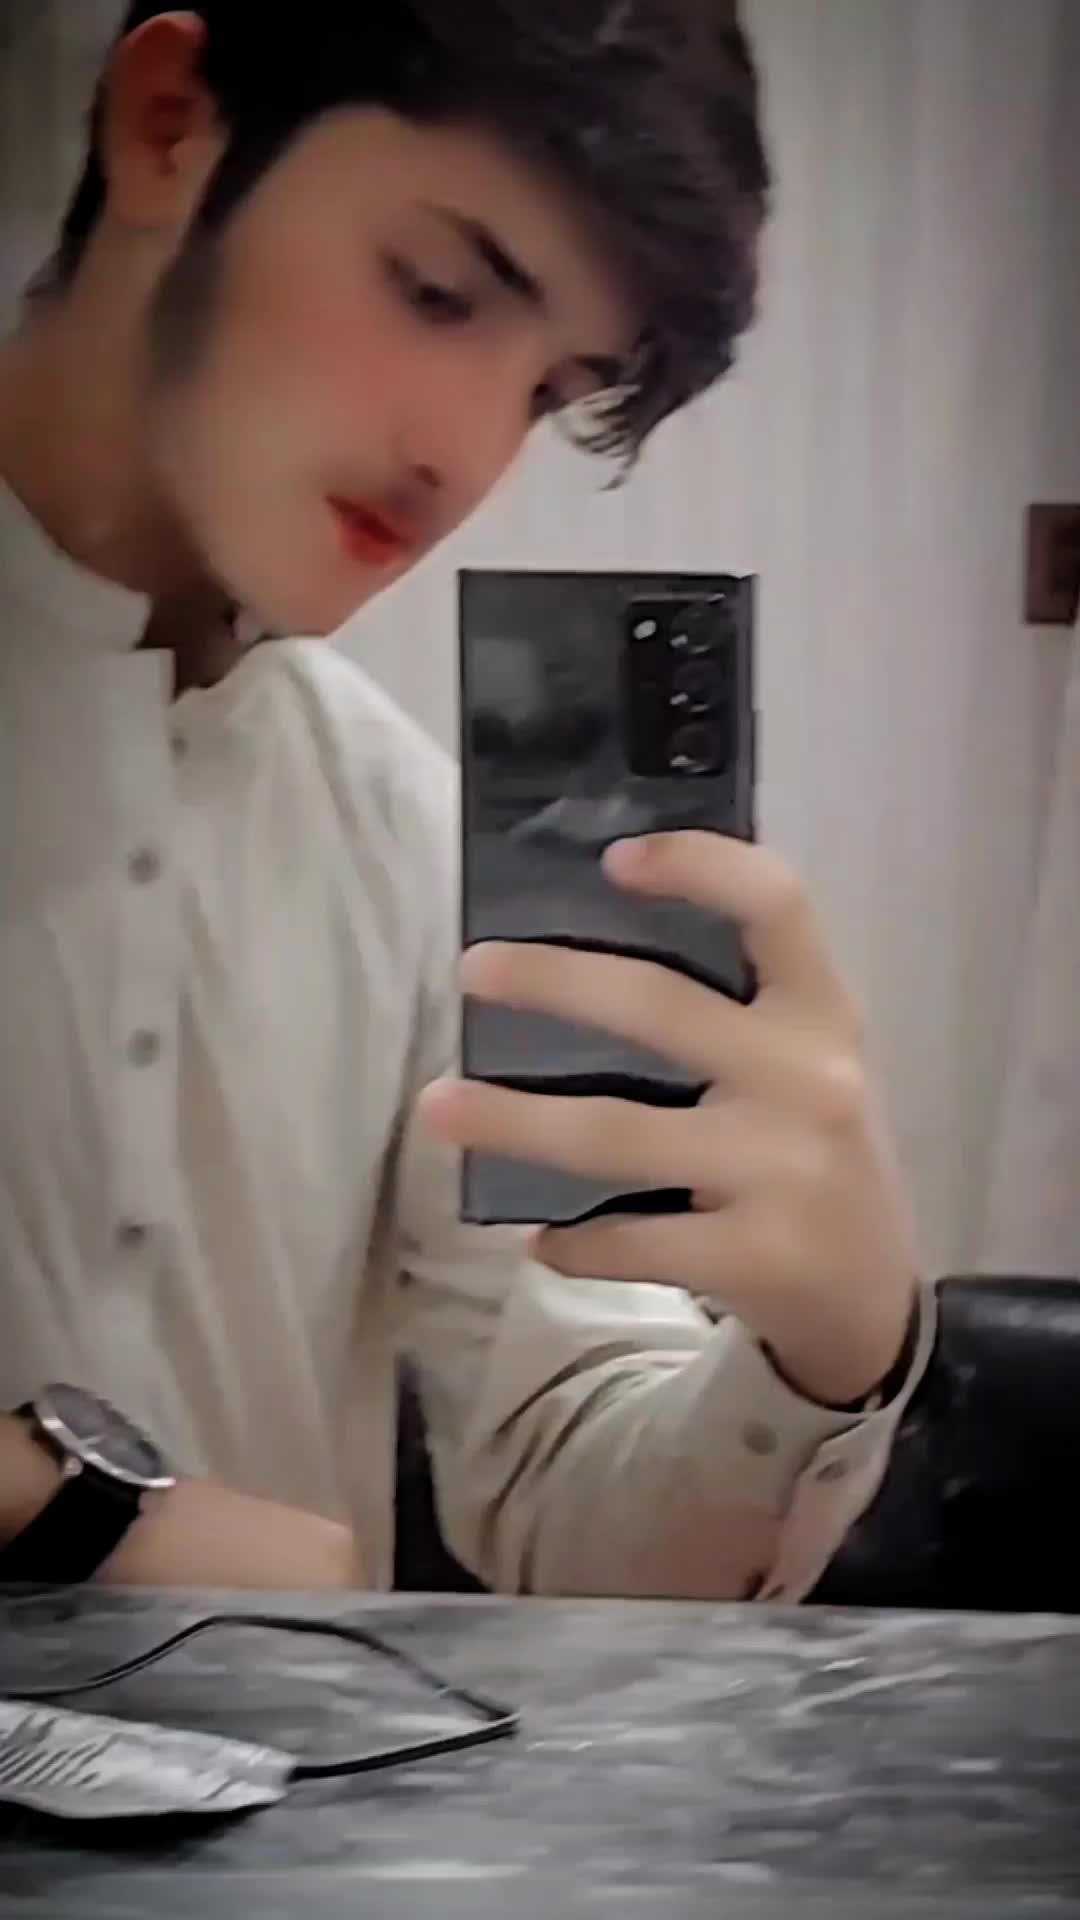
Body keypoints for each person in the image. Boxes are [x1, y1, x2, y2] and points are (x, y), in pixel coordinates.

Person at [0, 0, 933, 1598]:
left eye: (548, 389)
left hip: (291, 1763)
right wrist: (71, 1508)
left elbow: (574, 1512)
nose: (462, 457)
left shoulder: (409, 833)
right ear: (169, 124)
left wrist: (828, 1354)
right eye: (435, 291)